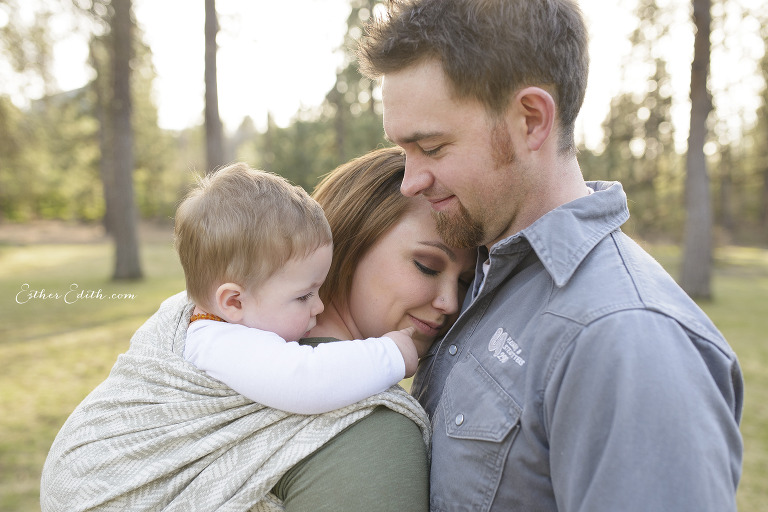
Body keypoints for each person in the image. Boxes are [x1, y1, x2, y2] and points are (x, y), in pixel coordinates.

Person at [357, 1, 744, 511]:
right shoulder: (479, 276)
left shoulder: (626, 338)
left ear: (531, 120)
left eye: (431, 148)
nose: (411, 181)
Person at [40, 147, 475, 512]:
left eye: (465, 282)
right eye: (426, 265)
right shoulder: (369, 434)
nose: (450, 303)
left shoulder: (211, 313)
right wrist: (391, 355)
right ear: (353, 235)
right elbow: (303, 378)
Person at [175, 163, 418, 414]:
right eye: (303, 296)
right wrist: (391, 353)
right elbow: (306, 382)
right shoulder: (220, 343)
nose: (319, 306)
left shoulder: (223, 327)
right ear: (234, 302)